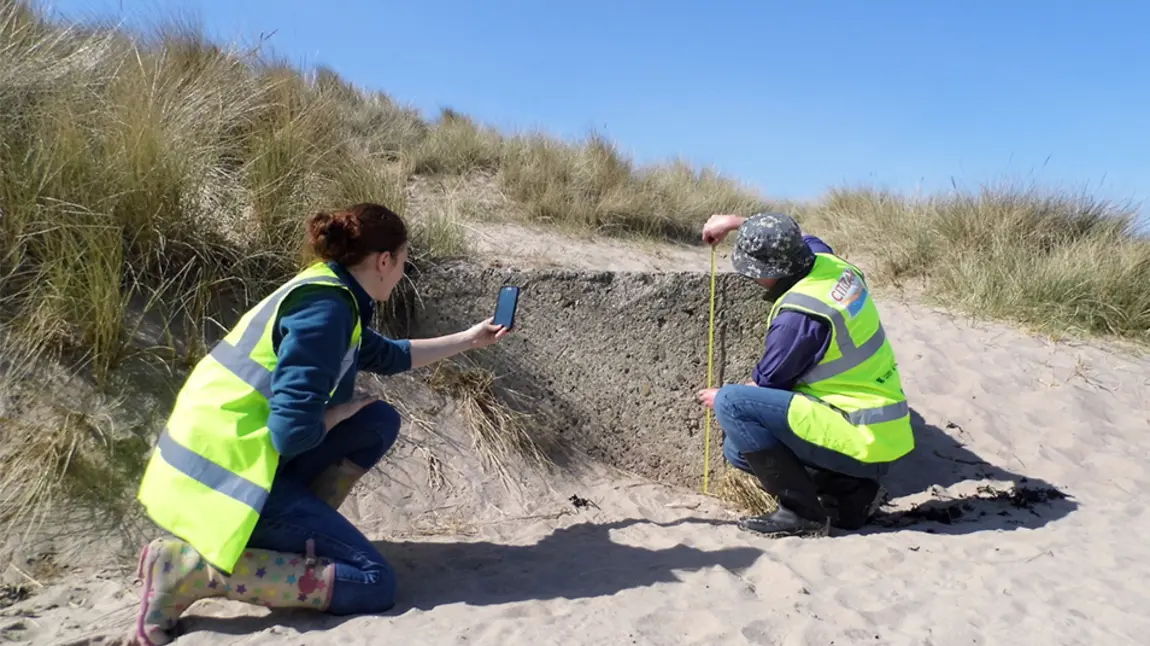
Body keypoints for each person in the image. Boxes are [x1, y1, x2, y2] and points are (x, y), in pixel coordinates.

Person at [131, 203, 510, 645]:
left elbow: (388, 356)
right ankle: (189, 572)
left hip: (222, 466)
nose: (402, 273)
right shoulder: (327, 310)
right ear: (384, 261)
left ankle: (287, 541)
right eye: (403, 262)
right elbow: (290, 433)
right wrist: (334, 414)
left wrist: (470, 338)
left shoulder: (331, 294)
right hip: (231, 481)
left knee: (377, 420)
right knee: (374, 583)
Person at [695, 211, 913, 538]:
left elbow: (764, 386)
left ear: (771, 271)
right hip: (884, 433)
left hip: (859, 437)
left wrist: (721, 398)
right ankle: (852, 492)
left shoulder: (799, 318)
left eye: (754, 272)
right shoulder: (831, 265)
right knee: (740, 435)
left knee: (733, 411)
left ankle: (802, 513)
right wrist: (735, 222)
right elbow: (796, 236)